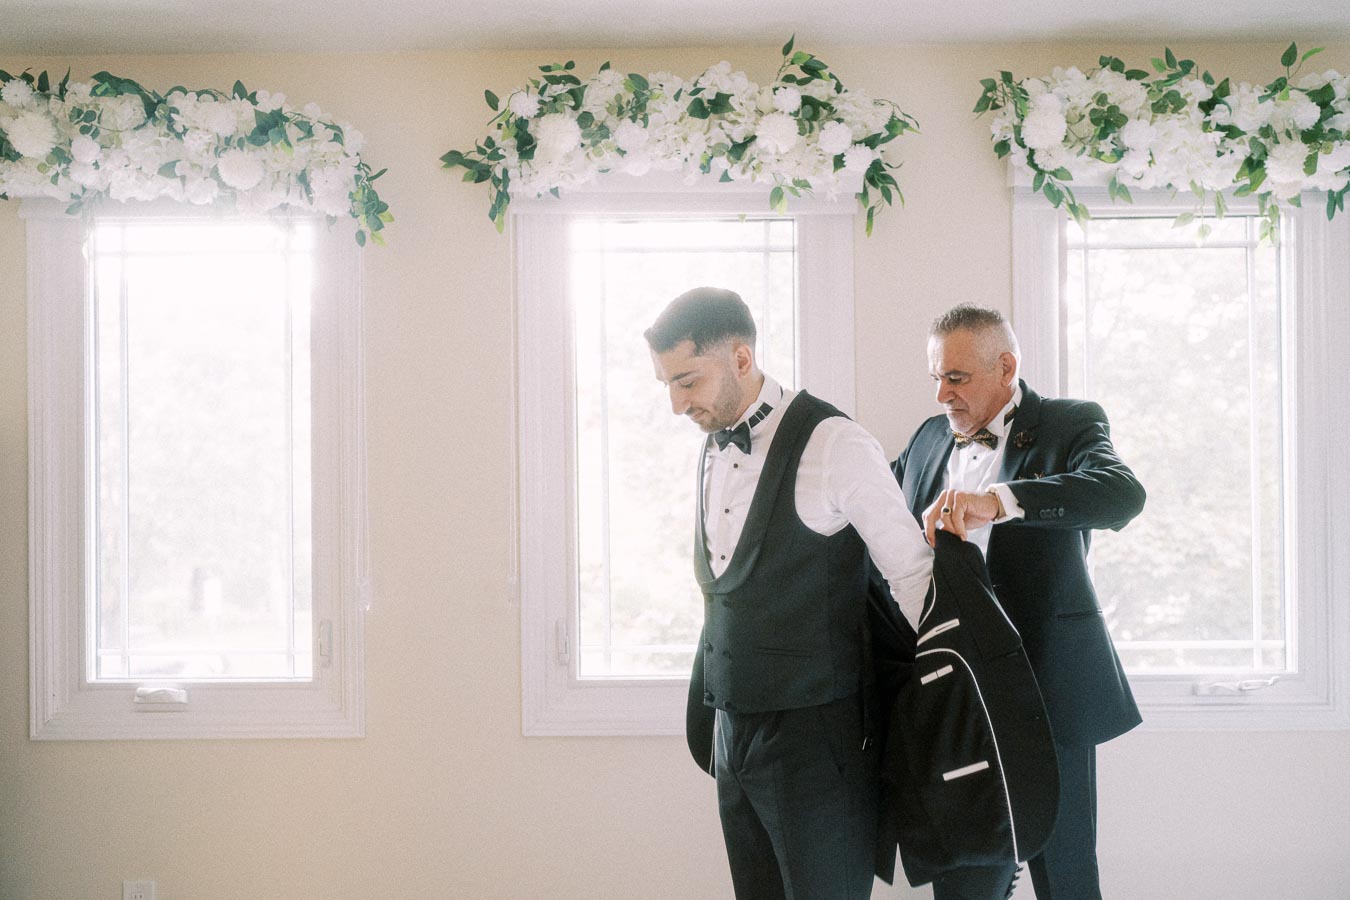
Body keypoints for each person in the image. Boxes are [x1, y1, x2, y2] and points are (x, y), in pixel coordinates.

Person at [645, 286, 933, 900]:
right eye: (667, 384)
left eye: (687, 381)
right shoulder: (711, 441)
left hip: (818, 741)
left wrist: (946, 707)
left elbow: (913, 576)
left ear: (741, 359)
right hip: (731, 733)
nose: (676, 404)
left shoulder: (837, 445)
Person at [892, 303, 1145, 900]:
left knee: (1065, 873)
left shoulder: (1069, 422)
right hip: (953, 695)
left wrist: (998, 501)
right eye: (936, 377)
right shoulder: (928, 439)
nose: (941, 395)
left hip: (1047, 687)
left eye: (956, 378)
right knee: (963, 877)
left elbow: (1120, 495)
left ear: (1005, 366)